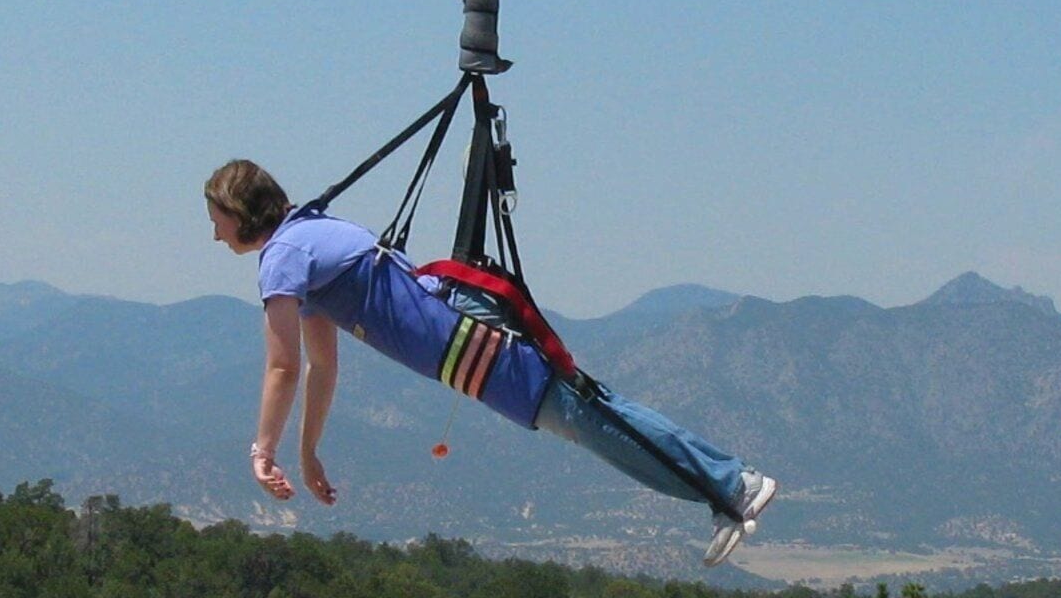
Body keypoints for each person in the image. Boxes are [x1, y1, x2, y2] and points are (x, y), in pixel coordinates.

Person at [203, 158, 781, 566]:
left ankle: (733, 486)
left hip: (465, 344)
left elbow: (281, 366)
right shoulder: (308, 237)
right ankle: (729, 487)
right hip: (461, 338)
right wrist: (306, 454)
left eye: (216, 220)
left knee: (591, 419)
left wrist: (264, 452)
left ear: (239, 212)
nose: (214, 234)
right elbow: (319, 367)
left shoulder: (281, 258)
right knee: (590, 416)